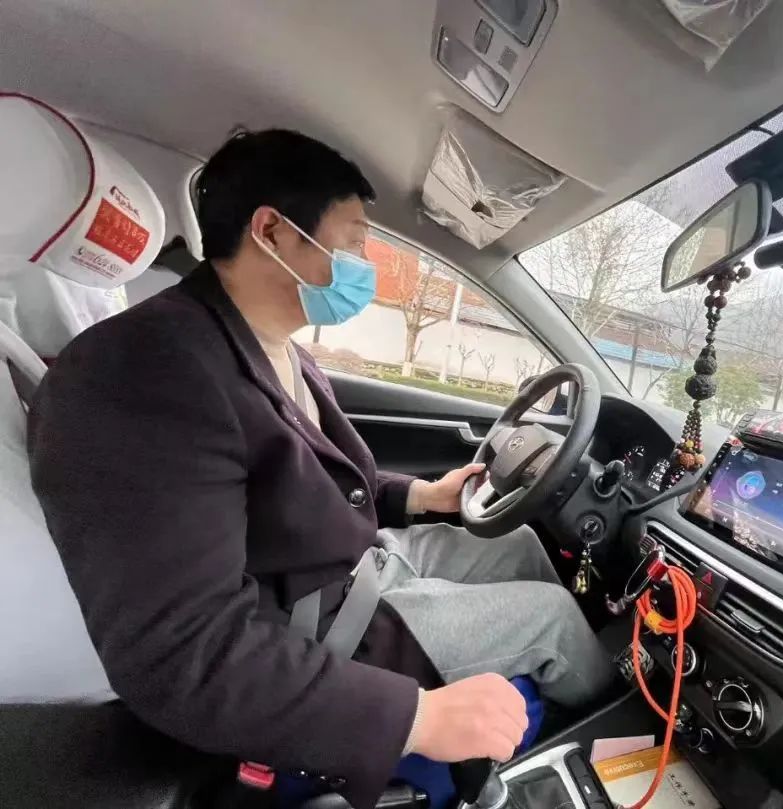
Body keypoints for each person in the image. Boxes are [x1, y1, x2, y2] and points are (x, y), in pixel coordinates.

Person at [28, 129, 613, 809]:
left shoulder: (270, 342)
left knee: (518, 543)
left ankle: (569, 702)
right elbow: (187, 651)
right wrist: (419, 717)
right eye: (354, 242)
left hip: (358, 562)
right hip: (322, 621)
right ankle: (609, 743)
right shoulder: (144, 370)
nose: (365, 263)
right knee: (551, 620)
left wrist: (421, 496)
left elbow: (311, 481)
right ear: (273, 231)